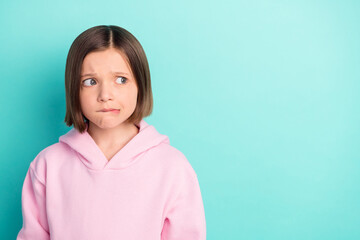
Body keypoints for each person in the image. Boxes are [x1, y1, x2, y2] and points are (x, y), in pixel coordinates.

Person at [16, 25, 206, 240]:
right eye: (90, 82)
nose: (105, 95)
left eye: (121, 80)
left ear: (140, 85)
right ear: (74, 90)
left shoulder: (173, 167)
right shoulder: (48, 165)